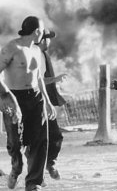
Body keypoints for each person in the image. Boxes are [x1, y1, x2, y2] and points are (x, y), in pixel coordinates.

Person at [0, 16, 56, 191]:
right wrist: (7, 96)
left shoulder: (37, 51)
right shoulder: (12, 48)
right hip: (14, 97)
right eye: (42, 32)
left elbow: (38, 77)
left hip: (36, 97)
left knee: (40, 141)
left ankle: (33, 183)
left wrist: (47, 101)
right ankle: (16, 168)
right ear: (37, 31)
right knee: (15, 143)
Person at [37, 29, 67, 182]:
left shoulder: (43, 55)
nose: (49, 41)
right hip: (36, 102)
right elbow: (38, 80)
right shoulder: (35, 55)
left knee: (54, 136)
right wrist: (55, 79)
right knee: (40, 140)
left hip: (44, 101)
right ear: (41, 40)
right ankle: (38, 174)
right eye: (47, 38)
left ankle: (50, 163)